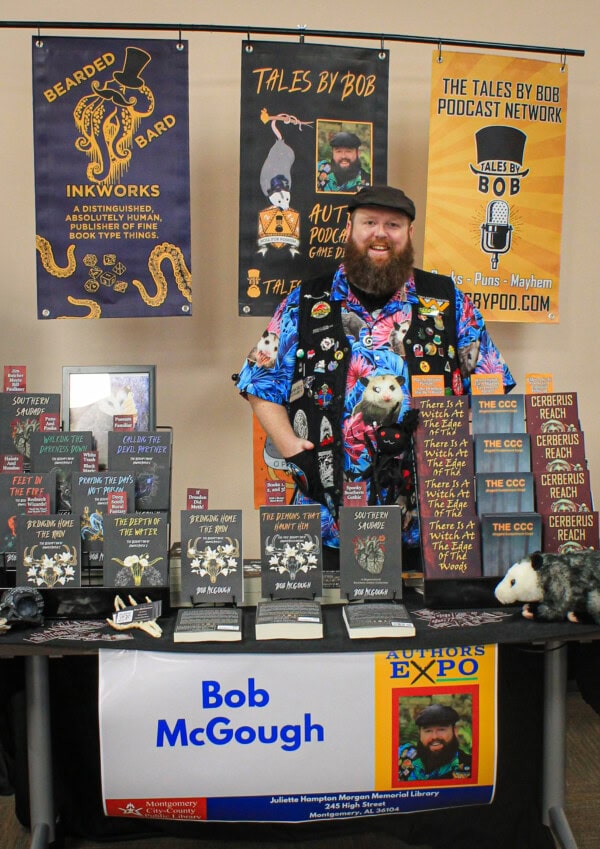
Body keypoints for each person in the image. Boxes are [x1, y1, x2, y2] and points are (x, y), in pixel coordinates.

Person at [234, 185, 514, 569]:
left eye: (393, 225)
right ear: (350, 229)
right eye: (370, 222)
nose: (380, 233)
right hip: (325, 524)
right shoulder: (305, 300)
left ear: (410, 234)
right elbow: (258, 381)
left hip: (428, 528)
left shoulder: (448, 300)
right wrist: (288, 445)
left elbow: (493, 386)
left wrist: (464, 450)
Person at [398, 703, 472, 781]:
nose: (434, 736)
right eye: (428, 731)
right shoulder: (403, 755)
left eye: (441, 729)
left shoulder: (470, 766)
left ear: (455, 731)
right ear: (420, 734)